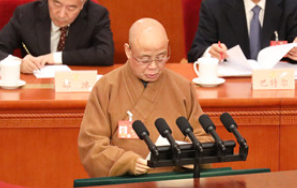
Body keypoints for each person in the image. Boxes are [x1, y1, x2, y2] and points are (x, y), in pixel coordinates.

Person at [79, 18, 212, 178]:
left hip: (175, 182)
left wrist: (191, 155)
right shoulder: (106, 88)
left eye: (161, 57)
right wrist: (124, 162)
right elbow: (92, 145)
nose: (154, 66)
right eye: (145, 59)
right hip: (123, 186)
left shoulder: (183, 87)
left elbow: (203, 137)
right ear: (128, 51)